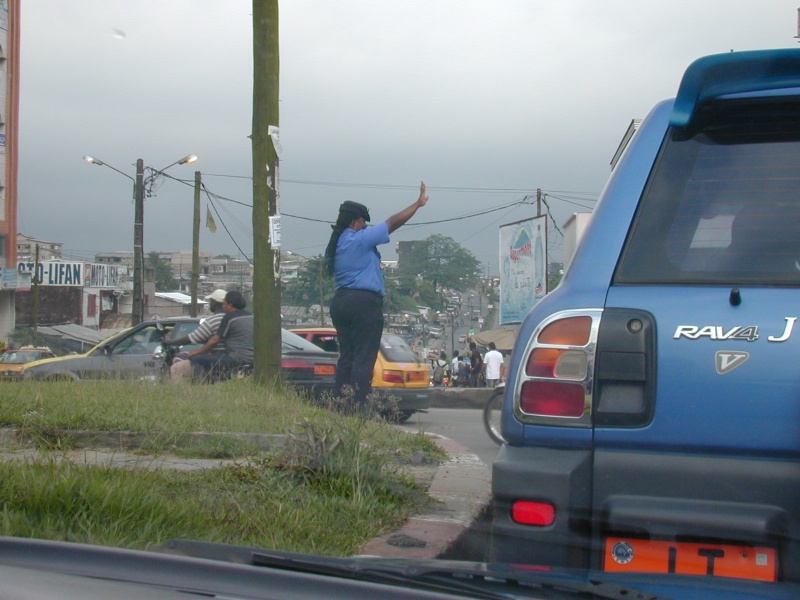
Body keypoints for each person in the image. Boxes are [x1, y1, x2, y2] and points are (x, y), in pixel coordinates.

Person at [325, 182, 428, 404]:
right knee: (364, 359)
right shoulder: (359, 239)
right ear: (355, 222)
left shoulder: (338, 243)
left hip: (341, 301)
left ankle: (342, 405)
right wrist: (417, 204)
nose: (365, 226)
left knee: (347, 358)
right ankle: (359, 407)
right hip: (363, 303)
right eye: (363, 222)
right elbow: (392, 223)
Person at [186, 290, 254, 381]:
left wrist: (198, 351)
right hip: (252, 358)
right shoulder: (251, 316)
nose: (222, 306)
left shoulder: (229, 317)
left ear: (230, 305)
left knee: (196, 359)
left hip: (236, 358)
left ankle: (201, 384)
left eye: (224, 304)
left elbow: (215, 340)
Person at [162, 289, 228, 383]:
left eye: (211, 301)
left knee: (176, 368)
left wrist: (171, 342)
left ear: (215, 303)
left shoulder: (213, 320)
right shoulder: (232, 318)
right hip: (229, 357)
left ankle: (184, 393)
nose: (210, 304)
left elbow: (192, 338)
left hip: (216, 359)